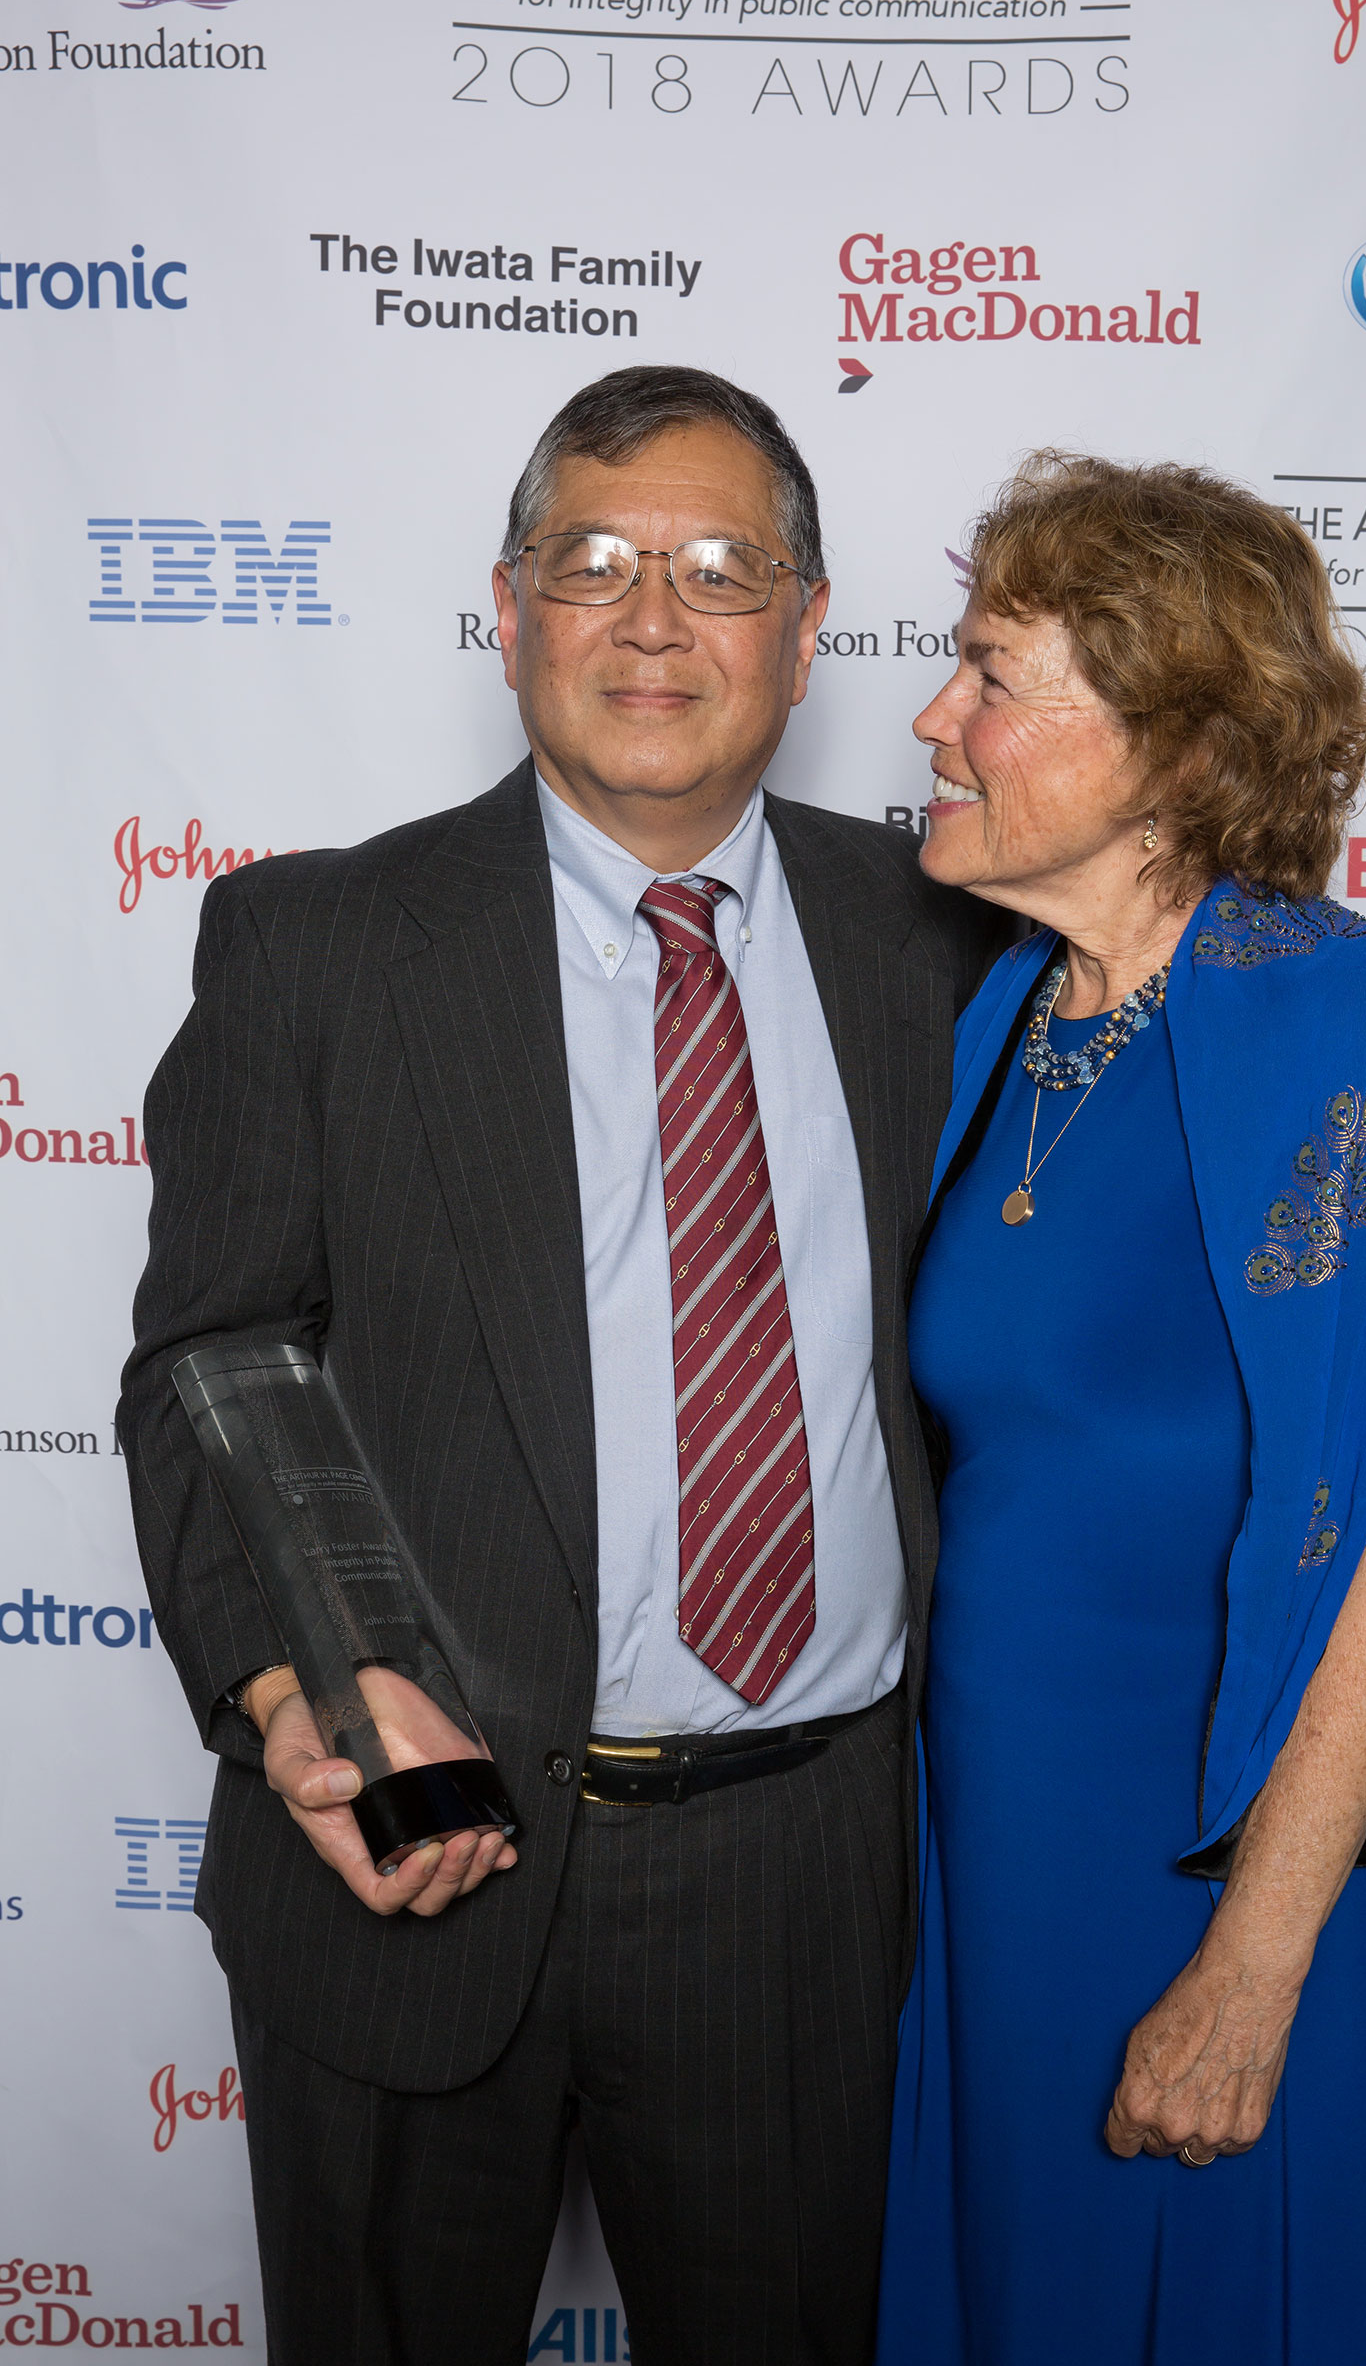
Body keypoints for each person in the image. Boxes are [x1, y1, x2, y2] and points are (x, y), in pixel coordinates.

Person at [119, 365, 1001, 2366]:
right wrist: (295, 1688)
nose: (650, 620)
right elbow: (209, 1361)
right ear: (507, 610)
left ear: (804, 624)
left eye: (717, 570)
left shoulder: (944, 948)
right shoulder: (317, 947)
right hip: (408, 1854)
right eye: (589, 564)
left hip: (802, 1867)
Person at [874, 453, 1366, 2366]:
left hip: (1232, 1860)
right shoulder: (1008, 1019)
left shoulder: (1341, 1027)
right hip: (996, 1845)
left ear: (1162, 736)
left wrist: (1251, 1965)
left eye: (991, 672)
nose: (933, 716)